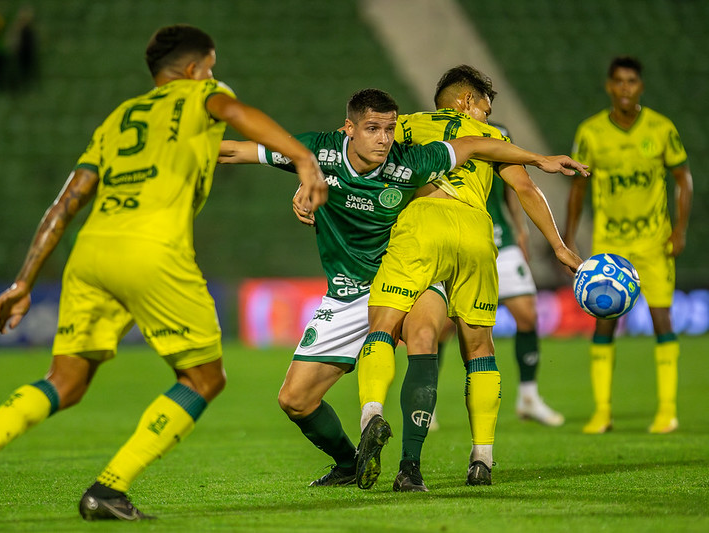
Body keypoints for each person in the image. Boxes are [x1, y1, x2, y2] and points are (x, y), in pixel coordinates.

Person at [0, 24, 327, 527]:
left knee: (63, 381)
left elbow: (66, 203)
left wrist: (23, 281)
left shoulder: (118, 117)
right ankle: (109, 487)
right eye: (211, 68)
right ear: (195, 70)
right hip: (153, 250)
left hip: (92, 251)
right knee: (203, 377)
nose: (214, 77)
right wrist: (304, 159)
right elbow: (236, 113)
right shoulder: (204, 95)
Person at [221, 87, 585, 493]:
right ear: (349, 129)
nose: (383, 138)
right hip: (347, 290)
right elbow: (239, 150)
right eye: (372, 129)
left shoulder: (408, 161)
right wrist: (186, 156)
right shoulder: (316, 155)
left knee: (425, 337)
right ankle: (348, 462)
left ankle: (410, 467)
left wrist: (539, 159)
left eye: (389, 129)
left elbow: (474, 144)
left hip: (404, 273)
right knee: (294, 399)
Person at [355, 65, 587, 490]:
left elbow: (361, 152)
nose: (487, 114)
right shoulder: (495, 139)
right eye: (485, 105)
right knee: (478, 348)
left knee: (385, 328)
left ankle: (372, 413)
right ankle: (482, 457)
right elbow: (527, 190)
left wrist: (309, 187)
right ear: (466, 102)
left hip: (422, 226)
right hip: (477, 235)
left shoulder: (406, 126)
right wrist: (557, 246)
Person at [564, 55, 693, 435]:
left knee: (661, 319)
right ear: (609, 86)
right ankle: (602, 412)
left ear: (640, 86)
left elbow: (683, 179)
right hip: (610, 246)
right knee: (603, 324)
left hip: (653, 242)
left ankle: (667, 411)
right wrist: (569, 237)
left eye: (631, 81)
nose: (624, 88)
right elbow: (578, 188)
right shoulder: (590, 132)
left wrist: (680, 230)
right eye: (618, 81)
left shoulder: (661, 128)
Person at [431, 123, 565, 429]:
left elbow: (513, 189)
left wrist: (520, 230)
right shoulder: (448, 138)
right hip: (464, 243)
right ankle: (431, 399)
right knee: (445, 328)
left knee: (527, 315)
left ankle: (529, 397)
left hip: (501, 241)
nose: (486, 109)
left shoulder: (500, 135)